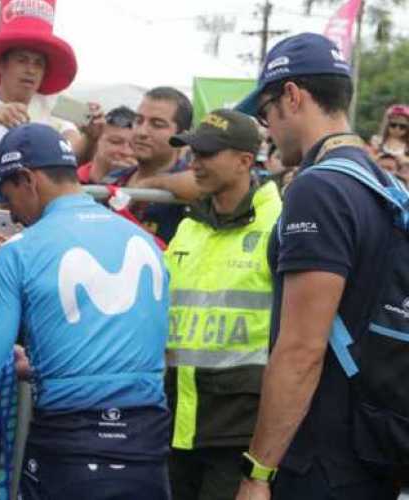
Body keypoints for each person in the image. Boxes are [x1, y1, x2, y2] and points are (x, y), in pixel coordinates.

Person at [0, 123, 172, 500]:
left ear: (28, 179)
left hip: (69, 451)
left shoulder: (18, 251)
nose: (9, 212)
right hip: (147, 447)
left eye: (8, 196)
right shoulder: (145, 240)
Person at [233, 33, 399, 500]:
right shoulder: (380, 182)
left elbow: (302, 349)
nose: (265, 127)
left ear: (292, 95)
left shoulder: (318, 188)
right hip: (370, 447)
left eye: (265, 112)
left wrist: (258, 472)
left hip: (320, 459)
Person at [164, 109, 282, 500]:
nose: (194, 163)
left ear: (245, 161)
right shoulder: (189, 225)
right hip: (178, 422)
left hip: (240, 431)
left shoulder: (280, 223)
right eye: (192, 153)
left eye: (208, 154)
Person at [0, 0, 102, 202]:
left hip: (29, 224)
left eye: (38, 64)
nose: (30, 70)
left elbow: (73, 155)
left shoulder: (53, 107)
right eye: (22, 60)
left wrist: (91, 138)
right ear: (1, 65)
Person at [117, 87, 200, 243]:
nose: (142, 131)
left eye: (157, 124)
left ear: (183, 136)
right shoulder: (114, 178)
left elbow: (206, 185)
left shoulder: (190, 180)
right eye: (138, 121)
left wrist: (150, 184)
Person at [77, 105, 138, 185]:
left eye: (134, 145)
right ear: (98, 139)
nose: (126, 152)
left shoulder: (143, 185)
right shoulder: (70, 178)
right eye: (115, 142)